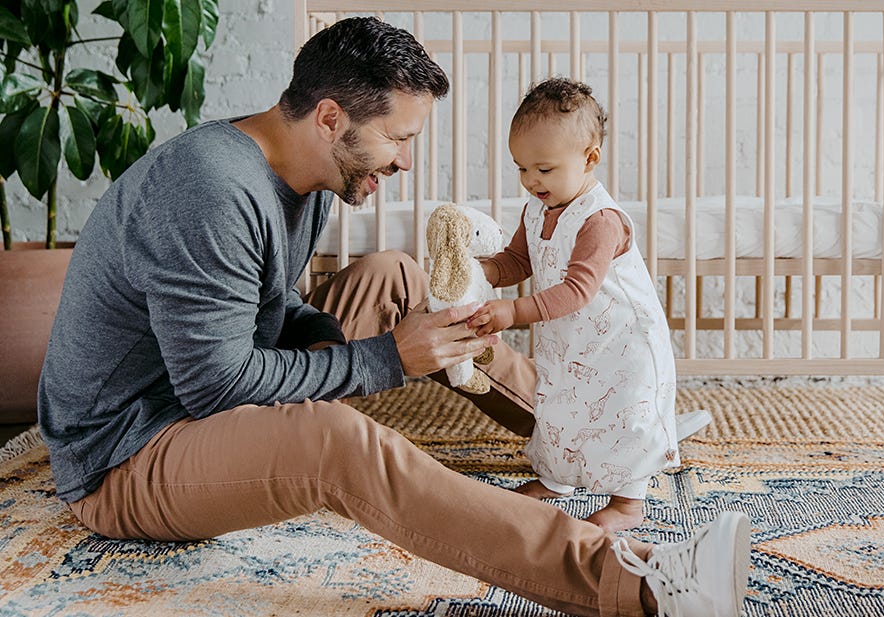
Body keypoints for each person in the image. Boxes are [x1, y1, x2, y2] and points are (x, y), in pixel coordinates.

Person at [37, 16, 751, 617]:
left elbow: (266, 301)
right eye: (398, 140)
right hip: (131, 453)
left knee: (398, 276)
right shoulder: (207, 190)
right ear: (330, 119)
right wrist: (384, 359)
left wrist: (330, 340)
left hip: (202, 391)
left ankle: (597, 427)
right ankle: (639, 582)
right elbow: (215, 388)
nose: (406, 161)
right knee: (335, 441)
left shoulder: (304, 174)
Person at [467, 78, 707, 533]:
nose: (531, 181)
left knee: (621, 415)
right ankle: (557, 479)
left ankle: (628, 501)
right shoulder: (536, 209)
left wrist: (512, 313)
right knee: (560, 405)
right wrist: (479, 272)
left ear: (590, 158)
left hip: (622, 344)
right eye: (521, 169)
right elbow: (517, 260)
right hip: (571, 337)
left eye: (544, 169)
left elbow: (578, 290)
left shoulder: (600, 220)